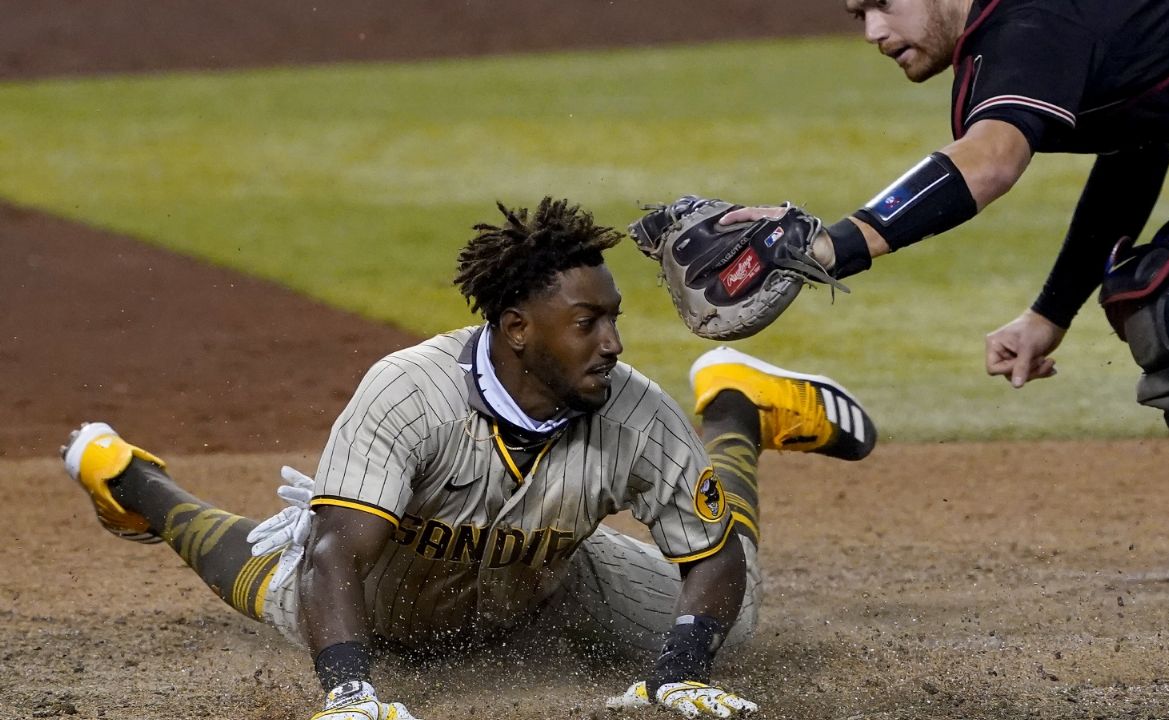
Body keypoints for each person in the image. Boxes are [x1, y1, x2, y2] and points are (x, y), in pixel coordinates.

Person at [60, 197, 876, 719]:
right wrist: (349, 691)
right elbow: (337, 551)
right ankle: (133, 480)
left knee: (739, 612)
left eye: (614, 317)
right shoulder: (411, 395)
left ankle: (735, 405)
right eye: (586, 322)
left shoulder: (628, 404)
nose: (614, 342)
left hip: (557, 582)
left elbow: (712, 555)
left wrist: (680, 669)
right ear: (519, 329)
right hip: (379, 581)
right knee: (283, 568)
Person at [712, 0, 1169, 640]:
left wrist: (819, 250)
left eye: (882, 4)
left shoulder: (1029, 20)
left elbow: (988, 164)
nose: (873, 31)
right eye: (857, 15)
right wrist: (1050, 313)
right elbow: (1137, 149)